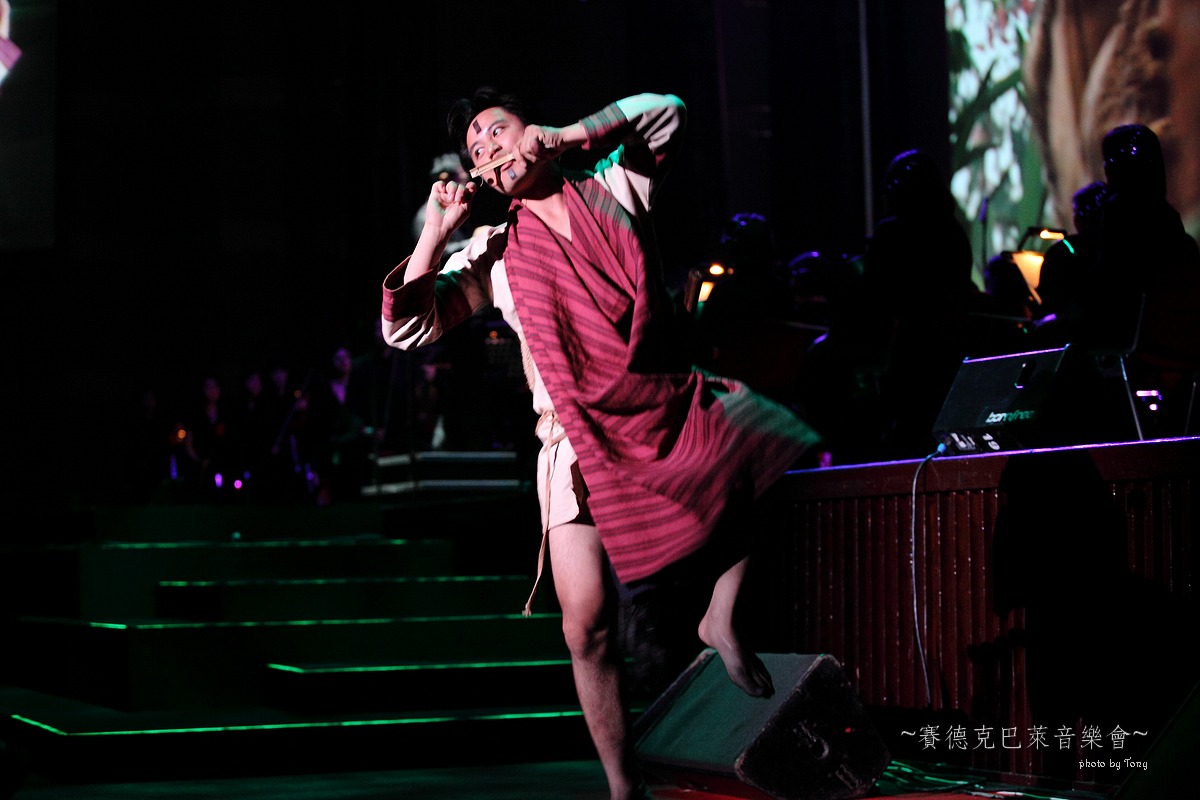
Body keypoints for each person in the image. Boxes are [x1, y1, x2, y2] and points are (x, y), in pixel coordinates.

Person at [379, 88, 820, 800]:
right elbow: (406, 327)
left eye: (498, 130)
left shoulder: (616, 184)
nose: (488, 148)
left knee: (770, 442)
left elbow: (668, 111)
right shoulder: (495, 250)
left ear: (530, 128)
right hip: (571, 441)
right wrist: (435, 232)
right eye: (476, 148)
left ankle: (721, 615)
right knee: (585, 625)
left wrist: (566, 135)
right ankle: (623, 787)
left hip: (652, 405)